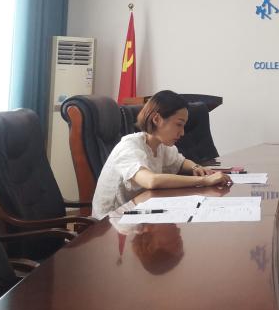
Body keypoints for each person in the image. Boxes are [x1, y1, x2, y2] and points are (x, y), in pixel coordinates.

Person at [92, 90, 231, 218]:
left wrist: (196, 167)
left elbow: (181, 162)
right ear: (157, 119)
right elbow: (151, 181)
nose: (182, 132)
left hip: (137, 214)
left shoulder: (160, 145)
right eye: (179, 124)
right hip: (110, 223)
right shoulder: (129, 147)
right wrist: (204, 181)